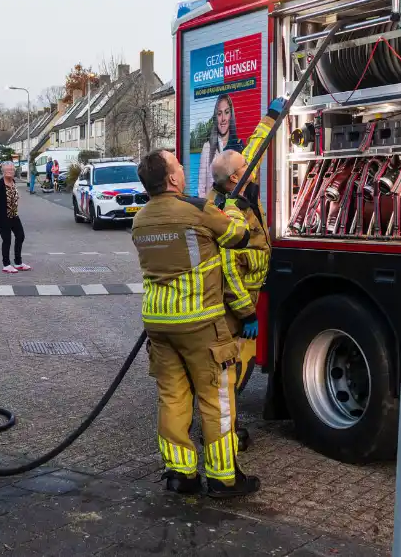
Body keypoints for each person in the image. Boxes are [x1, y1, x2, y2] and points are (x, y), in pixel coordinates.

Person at [132, 148, 260, 498]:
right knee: (216, 398)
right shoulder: (196, 209)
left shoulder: (140, 218)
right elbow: (239, 236)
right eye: (178, 164)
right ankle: (223, 478)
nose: (183, 169)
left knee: (172, 397)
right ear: (172, 178)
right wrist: (231, 207)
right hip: (200, 323)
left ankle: (181, 474)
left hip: (158, 322)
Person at [208, 147, 271, 452]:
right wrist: (247, 314)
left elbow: (255, 150)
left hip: (243, 298)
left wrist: (274, 116)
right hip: (234, 307)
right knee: (230, 373)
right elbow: (229, 269)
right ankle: (228, 433)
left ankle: (227, 427)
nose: (252, 168)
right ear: (236, 177)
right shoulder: (226, 211)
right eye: (246, 167)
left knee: (235, 371)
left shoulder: (236, 187)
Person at [0, 163, 31, 274]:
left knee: (20, 236)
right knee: (7, 240)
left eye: (12, 170)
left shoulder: (13, 182)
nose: (10, 172)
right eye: (8, 170)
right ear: (3, 172)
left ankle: (18, 262)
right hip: (3, 218)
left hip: (14, 215)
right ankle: (6, 264)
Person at [198, 94, 237, 197]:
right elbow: (201, 188)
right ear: (216, 117)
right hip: (211, 209)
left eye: (227, 112)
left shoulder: (238, 146)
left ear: (231, 115)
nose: (223, 118)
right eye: (219, 113)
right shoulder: (207, 148)